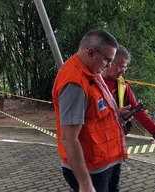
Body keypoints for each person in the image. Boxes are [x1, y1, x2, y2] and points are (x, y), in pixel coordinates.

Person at [52, 29, 131, 192]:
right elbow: (69, 139)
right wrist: (85, 184)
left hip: (105, 160)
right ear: (91, 52)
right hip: (92, 169)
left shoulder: (92, 71)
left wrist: (116, 115)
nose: (109, 65)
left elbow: (94, 112)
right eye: (107, 60)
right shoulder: (75, 83)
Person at [102, 44, 155, 143]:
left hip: (113, 139)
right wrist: (114, 115)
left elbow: (137, 111)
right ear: (109, 62)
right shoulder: (91, 80)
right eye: (121, 67)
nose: (123, 72)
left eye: (125, 68)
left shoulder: (122, 85)